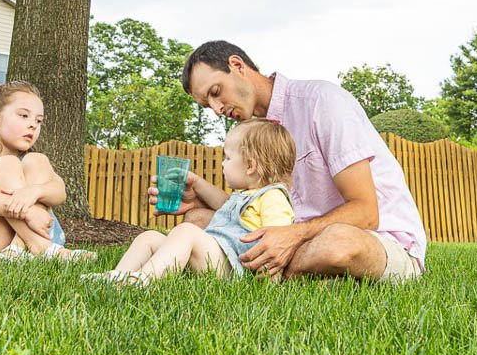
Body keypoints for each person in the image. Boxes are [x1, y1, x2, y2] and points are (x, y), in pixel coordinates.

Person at [162, 41, 428, 282]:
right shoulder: (256, 132)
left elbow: (367, 213)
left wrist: (294, 235)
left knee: (337, 243)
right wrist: (200, 198)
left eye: (216, 92)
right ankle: (288, 272)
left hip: (376, 238)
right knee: (196, 219)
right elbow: (255, 210)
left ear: (237, 65)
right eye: (208, 105)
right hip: (298, 238)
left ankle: (256, 270)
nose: (217, 108)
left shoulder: (321, 101)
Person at [90, 118, 296, 285]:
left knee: (186, 231)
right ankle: (117, 276)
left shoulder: (272, 197)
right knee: (150, 236)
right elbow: (222, 205)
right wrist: (195, 181)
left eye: (228, 158)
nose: (223, 164)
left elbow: (278, 240)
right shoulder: (245, 194)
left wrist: (270, 279)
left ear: (250, 166)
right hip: (214, 254)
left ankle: (144, 281)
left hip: (233, 265)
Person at [0, 81, 93, 260]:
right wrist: (29, 211)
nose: (33, 125)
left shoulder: (33, 161)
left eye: (38, 120)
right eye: (24, 116)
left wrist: (33, 192)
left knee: (37, 159)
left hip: (25, 240)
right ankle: (42, 247)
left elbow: (60, 192)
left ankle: (18, 248)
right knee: (7, 163)